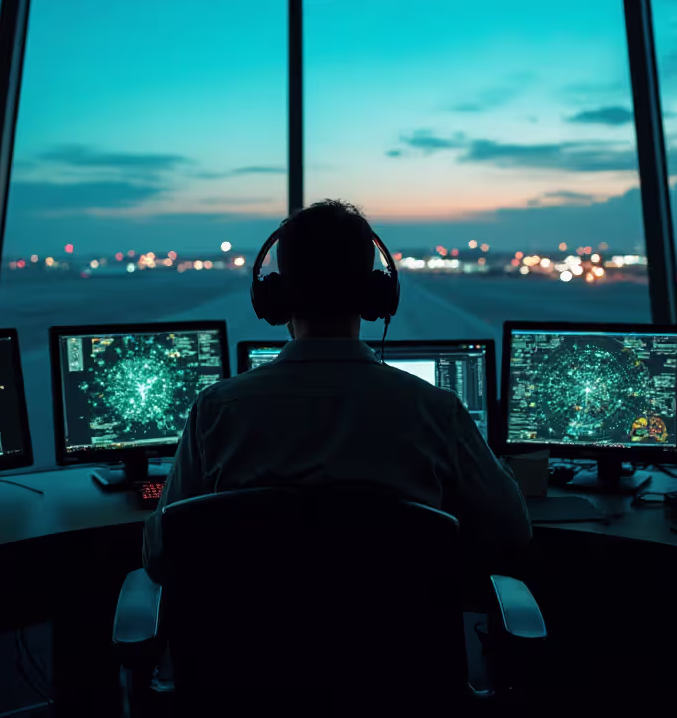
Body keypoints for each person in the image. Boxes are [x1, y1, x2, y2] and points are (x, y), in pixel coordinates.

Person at [142, 199, 531, 580]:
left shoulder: (216, 411)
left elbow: (161, 552)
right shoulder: (436, 410)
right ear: (376, 295)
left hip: (250, 643)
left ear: (275, 298)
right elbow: (513, 535)